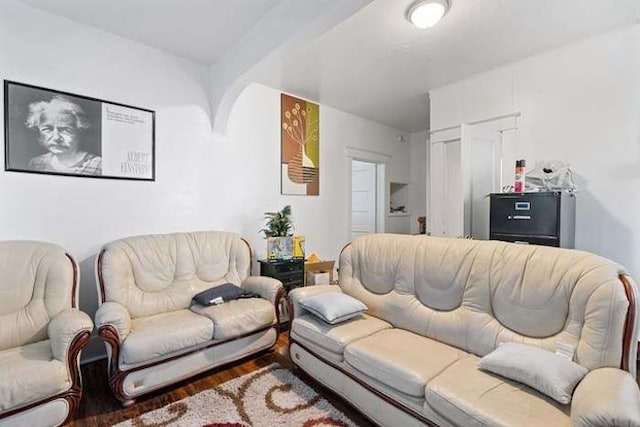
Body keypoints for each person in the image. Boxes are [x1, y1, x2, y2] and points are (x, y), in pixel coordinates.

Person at [25, 95, 102, 175]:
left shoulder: (98, 165)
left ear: (80, 131)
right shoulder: (36, 163)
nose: (56, 138)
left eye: (66, 130)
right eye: (47, 129)